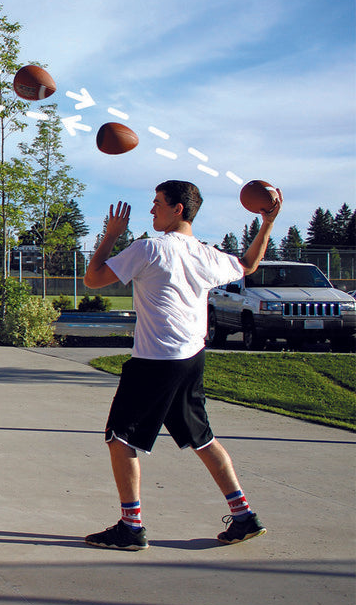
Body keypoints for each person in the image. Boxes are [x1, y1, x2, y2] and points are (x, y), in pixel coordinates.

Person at [82, 180, 280, 550]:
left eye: (157, 203)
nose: (152, 209)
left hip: (156, 361)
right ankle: (244, 517)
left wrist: (111, 235)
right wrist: (267, 222)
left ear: (178, 209)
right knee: (202, 438)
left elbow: (92, 279)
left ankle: (131, 527)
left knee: (119, 438)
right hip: (190, 359)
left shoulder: (149, 249)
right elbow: (249, 264)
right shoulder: (206, 254)